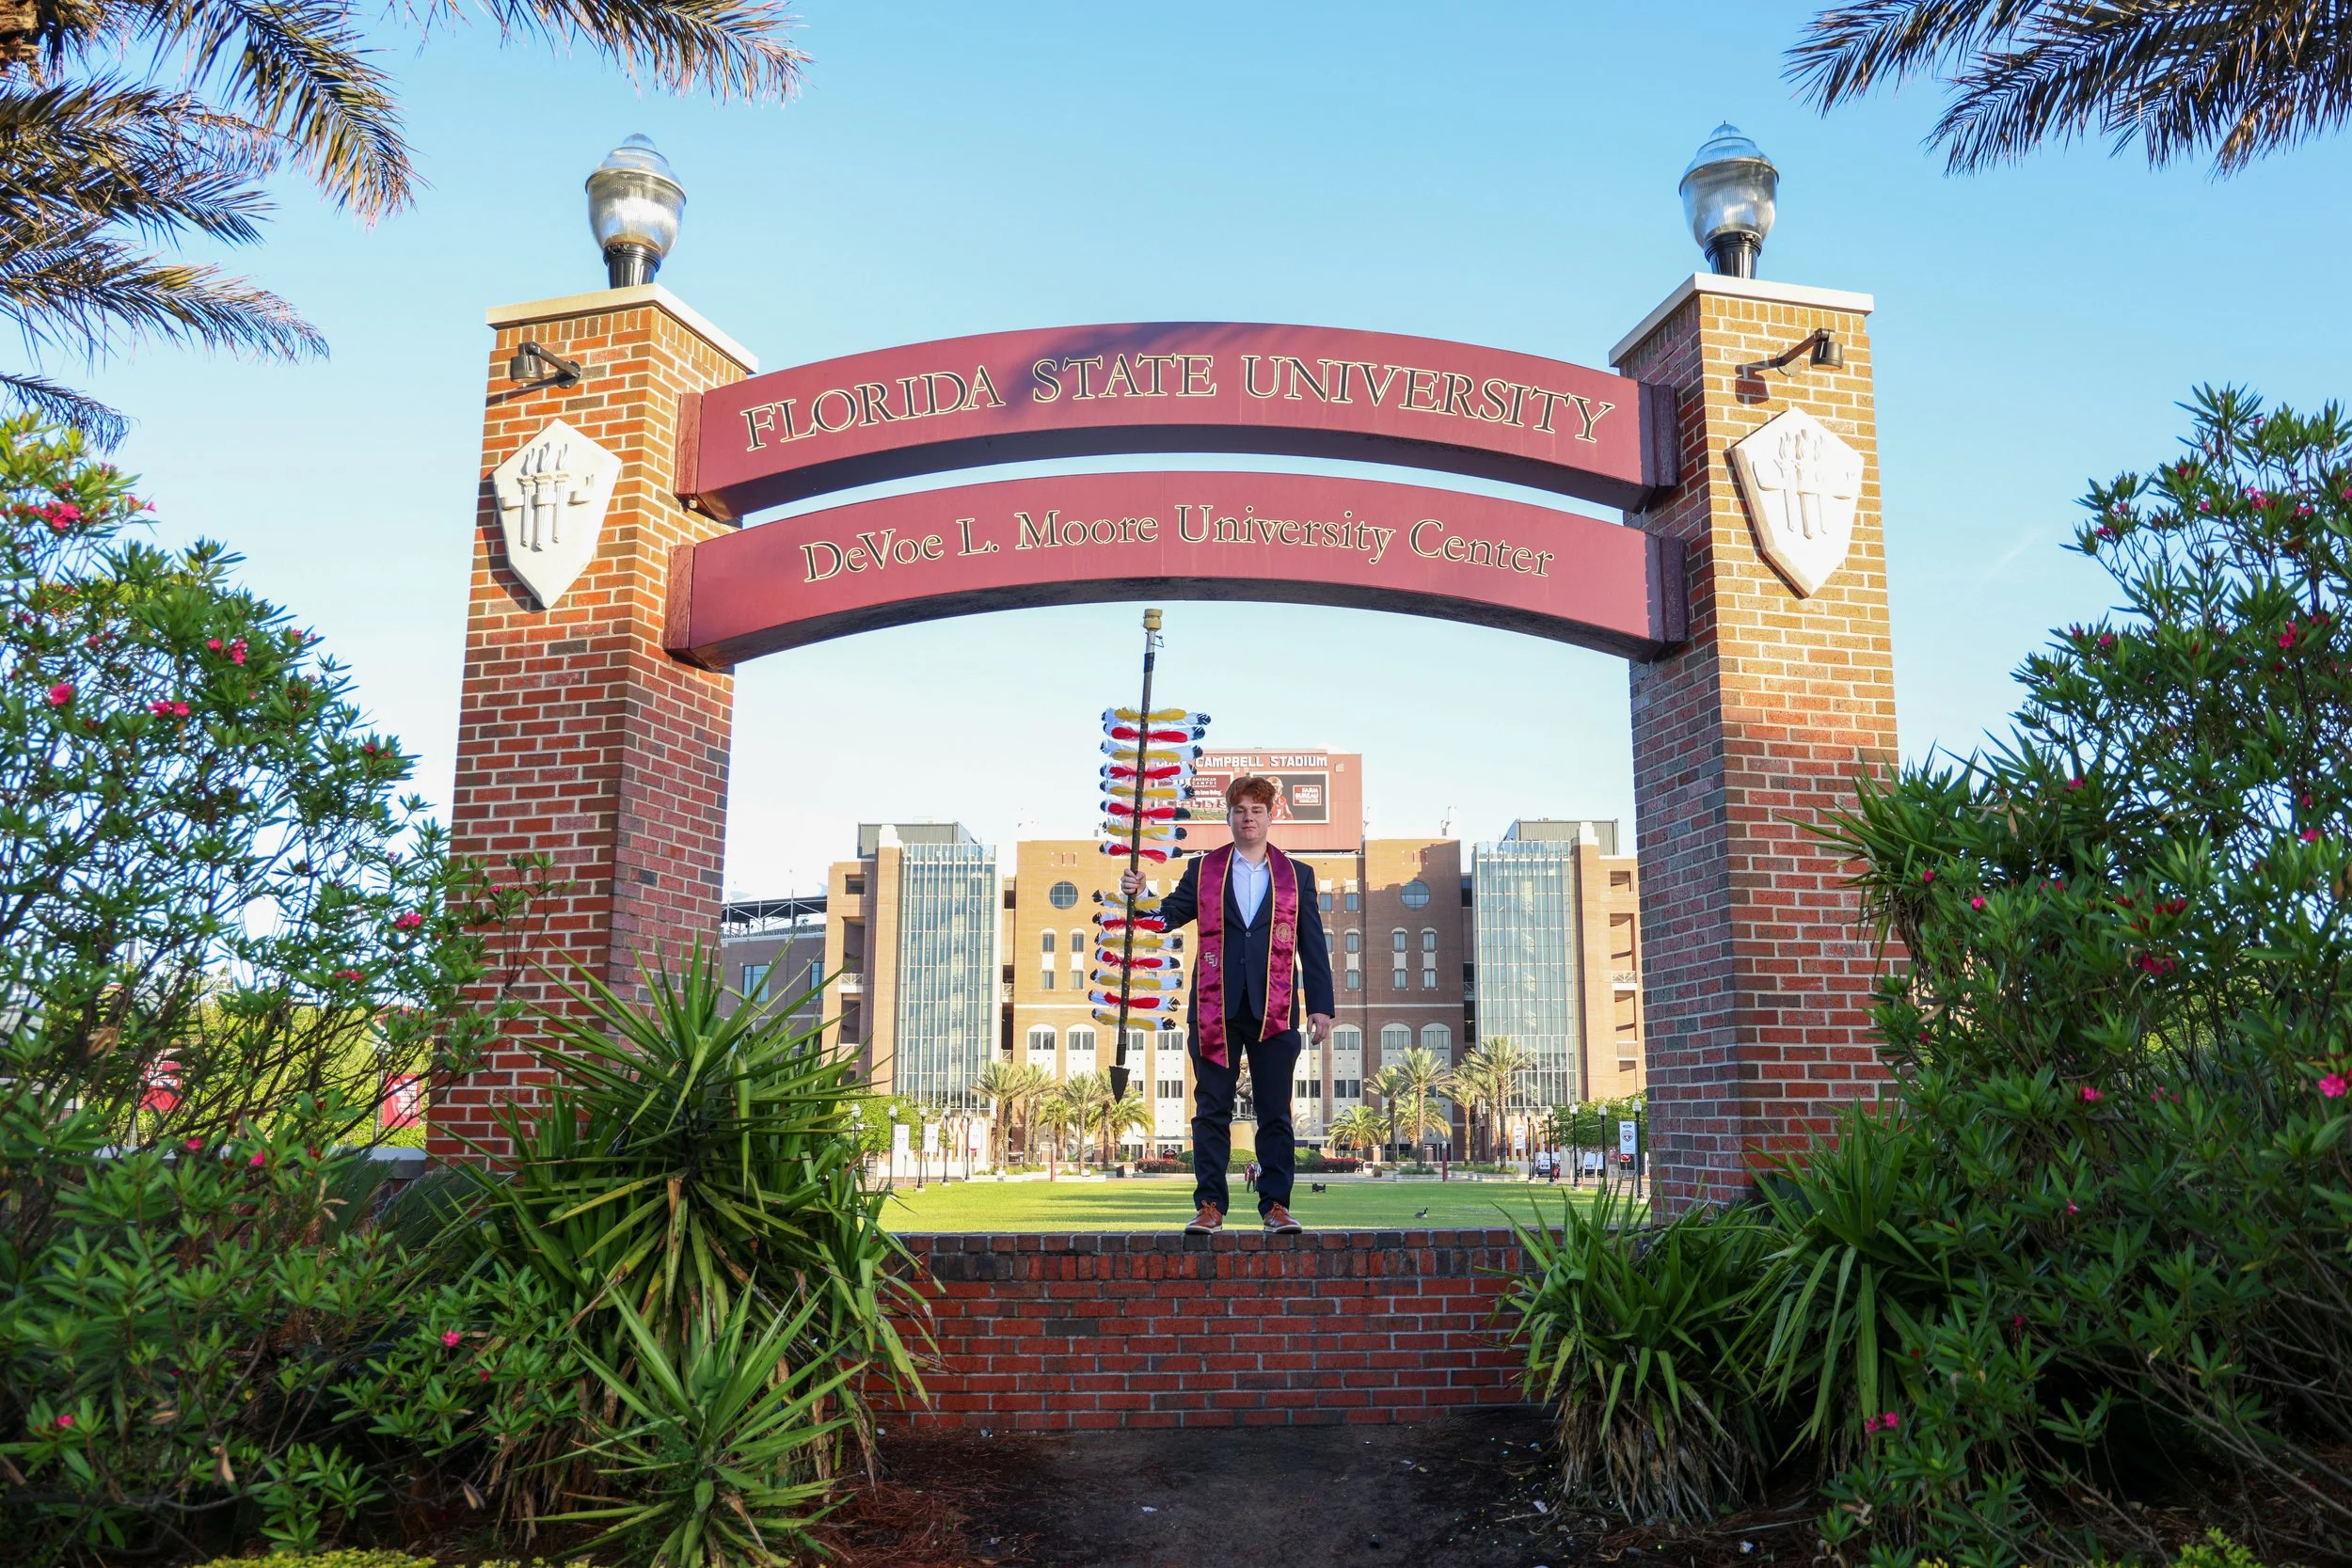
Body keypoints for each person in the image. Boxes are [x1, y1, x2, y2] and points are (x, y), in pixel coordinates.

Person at [1122, 774, 1334, 1235]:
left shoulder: (1297, 875)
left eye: (1257, 810)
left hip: (1275, 1008)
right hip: (1214, 1007)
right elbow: (1169, 918)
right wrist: (1139, 896)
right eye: (1240, 810)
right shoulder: (1205, 869)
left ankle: (1276, 1207)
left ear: (1271, 815)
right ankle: (1210, 1207)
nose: (1248, 818)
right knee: (1211, 1109)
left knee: (1275, 1112)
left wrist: (1321, 1005)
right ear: (1229, 816)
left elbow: (1312, 944)